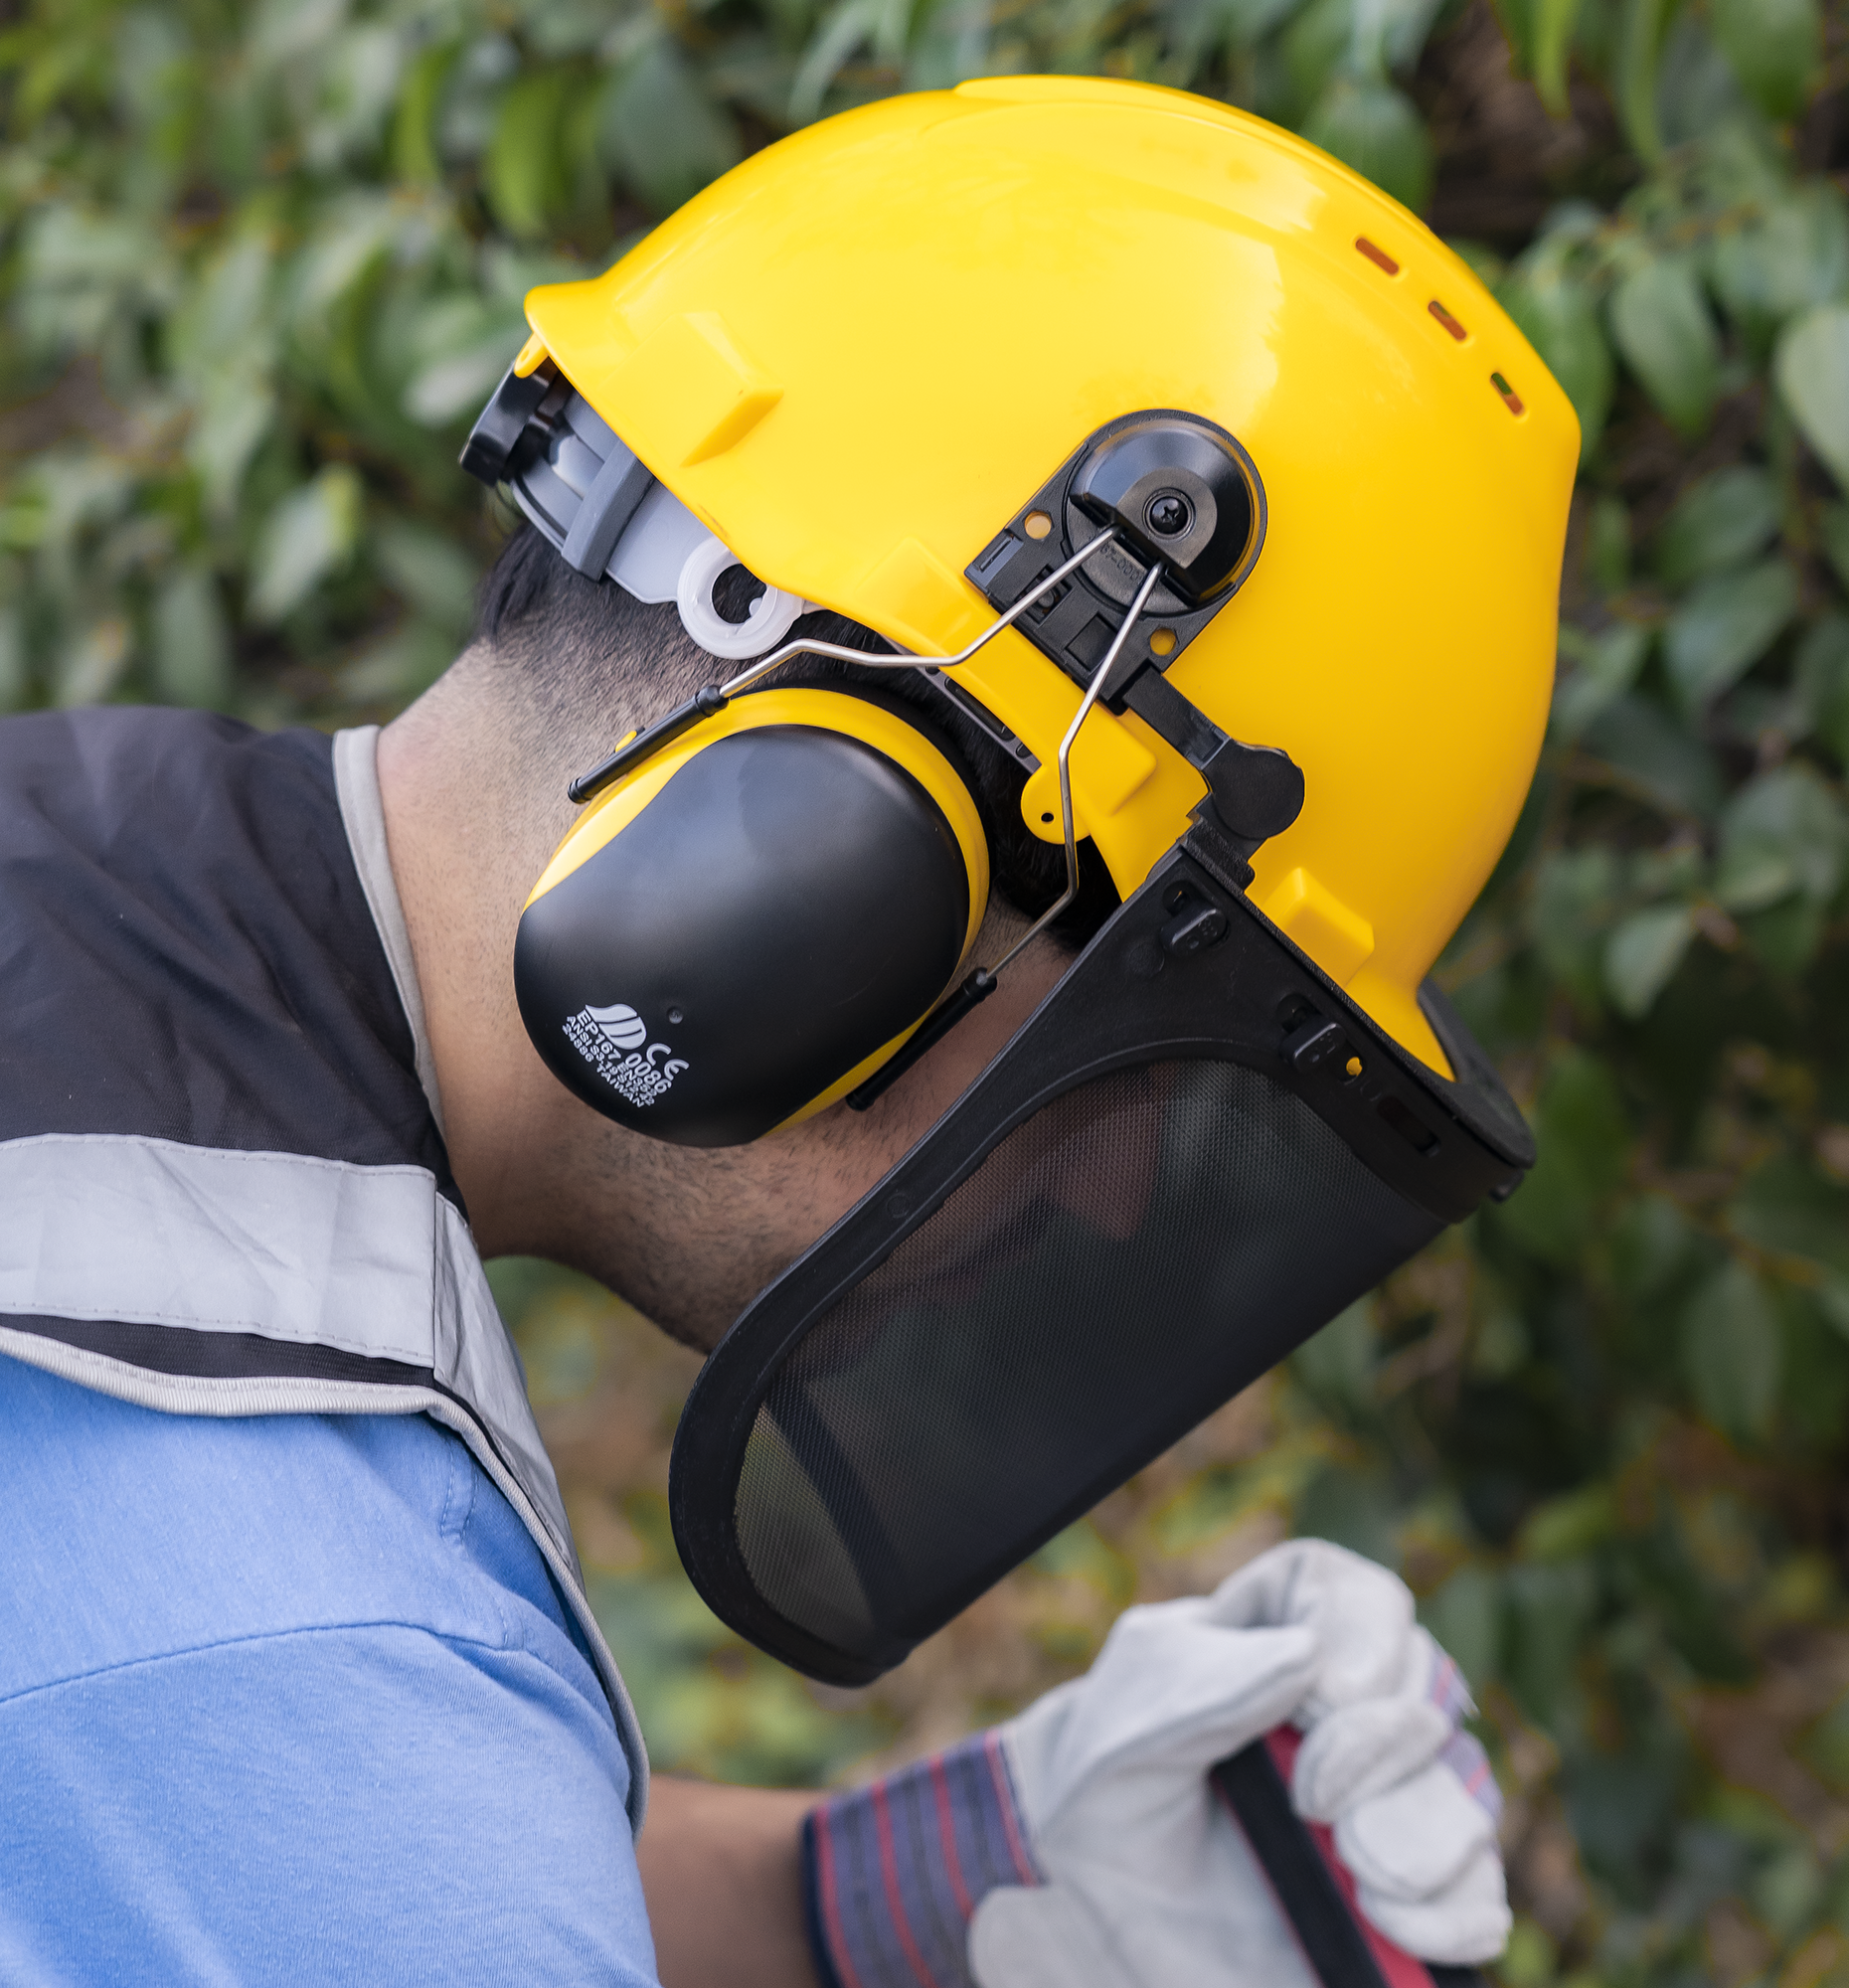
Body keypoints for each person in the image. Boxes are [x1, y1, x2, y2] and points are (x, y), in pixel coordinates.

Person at [0, 77, 1574, 1987]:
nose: (1097, 1200)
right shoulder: (314, 1632)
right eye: (1143, 1042)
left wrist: (878, 1895)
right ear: (851, 854)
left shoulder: (85, 901)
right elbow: (302, 1765)